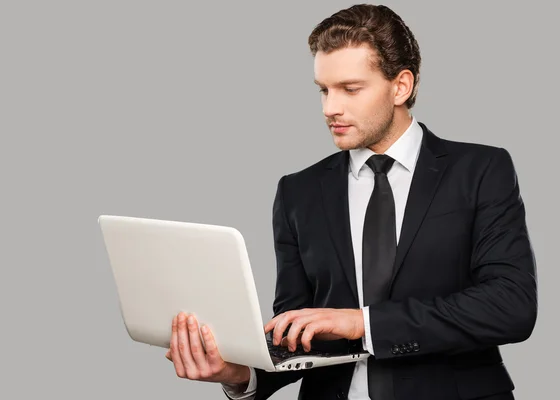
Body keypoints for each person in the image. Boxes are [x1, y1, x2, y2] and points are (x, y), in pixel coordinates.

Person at [165, 4, 538, 399]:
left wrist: (364, 323)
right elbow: (300, 330)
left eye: (350, 89)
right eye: (324, 90)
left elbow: (510, 305)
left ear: (401, 86)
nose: (330, 108)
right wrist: (239, 373)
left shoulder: (480, 170)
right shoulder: (298, 191)